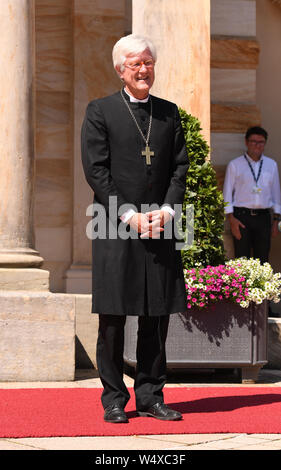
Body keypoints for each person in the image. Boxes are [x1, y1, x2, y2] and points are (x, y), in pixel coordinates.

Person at [81, 34, 189, 423]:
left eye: (148, 62)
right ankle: (113, 398)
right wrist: (129, 214)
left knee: (156, 314)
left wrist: (168, 210)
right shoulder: (100, 111)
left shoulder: (169, 112)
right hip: (115, 225)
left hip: (160, 225)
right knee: (113, 315)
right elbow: (96, 170)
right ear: (120, 69)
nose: (143, 70)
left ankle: (150, 395)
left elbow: (180, 167)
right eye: (135, 64)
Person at [223, 126, 281, 264]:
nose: (257, 145)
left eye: (261, 142)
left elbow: (276, 194)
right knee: (241, 259)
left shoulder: (271, 165)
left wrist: (276, 220)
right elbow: (227, 195)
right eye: (253, 141)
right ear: (246, 142)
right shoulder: (235, 165)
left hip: (263, 218)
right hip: (241, 218)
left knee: (263, 259)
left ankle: (261, 286)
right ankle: (241, 286)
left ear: (265, 143)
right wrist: (231, 220)